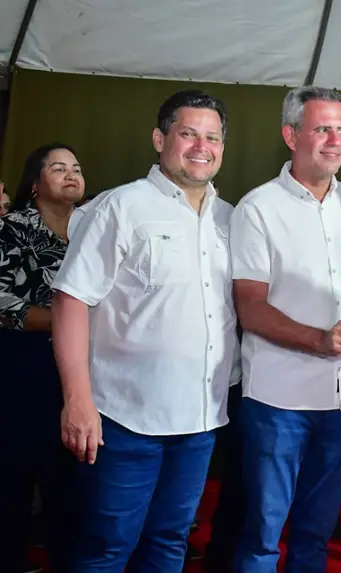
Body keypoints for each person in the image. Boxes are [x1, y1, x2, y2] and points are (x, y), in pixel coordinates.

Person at [51, 89, 238, 572]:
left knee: (170, 542)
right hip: (123, 419)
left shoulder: (230, 219)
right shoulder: (121, 207)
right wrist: (77, 400)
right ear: (160, 139)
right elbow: (71, 300)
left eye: (212, 137)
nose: (201, 147)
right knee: (105, 548)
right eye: (188, 134)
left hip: (200, 420)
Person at [230, 86, 341, 573]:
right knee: (262, 537)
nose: (336, 140)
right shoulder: (257, 208)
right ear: (291, 136)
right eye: (322, 129)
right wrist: (320, 340)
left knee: (316, 536)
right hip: (279, 402)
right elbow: (250, 308)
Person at [0, 143, 85, 573]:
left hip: (81, 369)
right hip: (23, 364)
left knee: (68, 478)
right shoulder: (12, 227)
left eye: (76, 168)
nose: (71, 175)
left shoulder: (94, 228)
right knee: (14, 474)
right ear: (35, 183)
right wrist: (65, 322)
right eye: (58, 168)